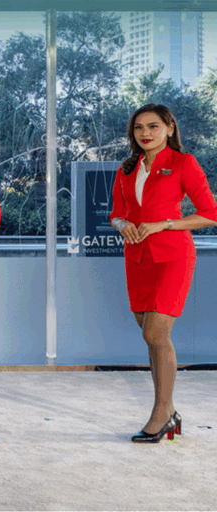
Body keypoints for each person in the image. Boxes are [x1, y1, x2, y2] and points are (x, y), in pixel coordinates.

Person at [108, 104, 217, 443]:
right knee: (150, 336)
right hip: (137, 256)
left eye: (153, 126)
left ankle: (161, 412)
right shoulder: (127, 168)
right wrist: (124, 225)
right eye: (139, 127)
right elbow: (116, 212)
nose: (145, 133)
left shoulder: (184, 163)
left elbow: (210, 214)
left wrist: (164, 224)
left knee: (156, 334)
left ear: (169, 128)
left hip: (172, 255)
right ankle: (168, 411)